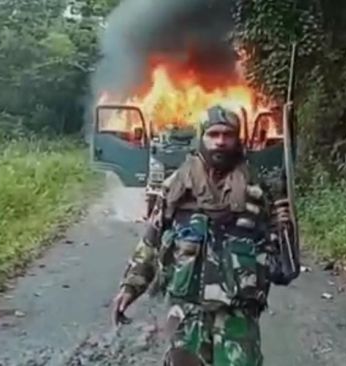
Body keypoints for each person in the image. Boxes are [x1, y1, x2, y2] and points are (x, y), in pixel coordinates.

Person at [111, 105, 294, 365]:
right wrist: (131, 287)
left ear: (237, 139)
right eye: (214, 134)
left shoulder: (256, 191)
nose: (220, 142)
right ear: (202, 137)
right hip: (187, 311)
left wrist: (282, 235)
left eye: (227, 135)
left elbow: (274, 258)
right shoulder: (176, 187)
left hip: (237, 314)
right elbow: (152, 240)